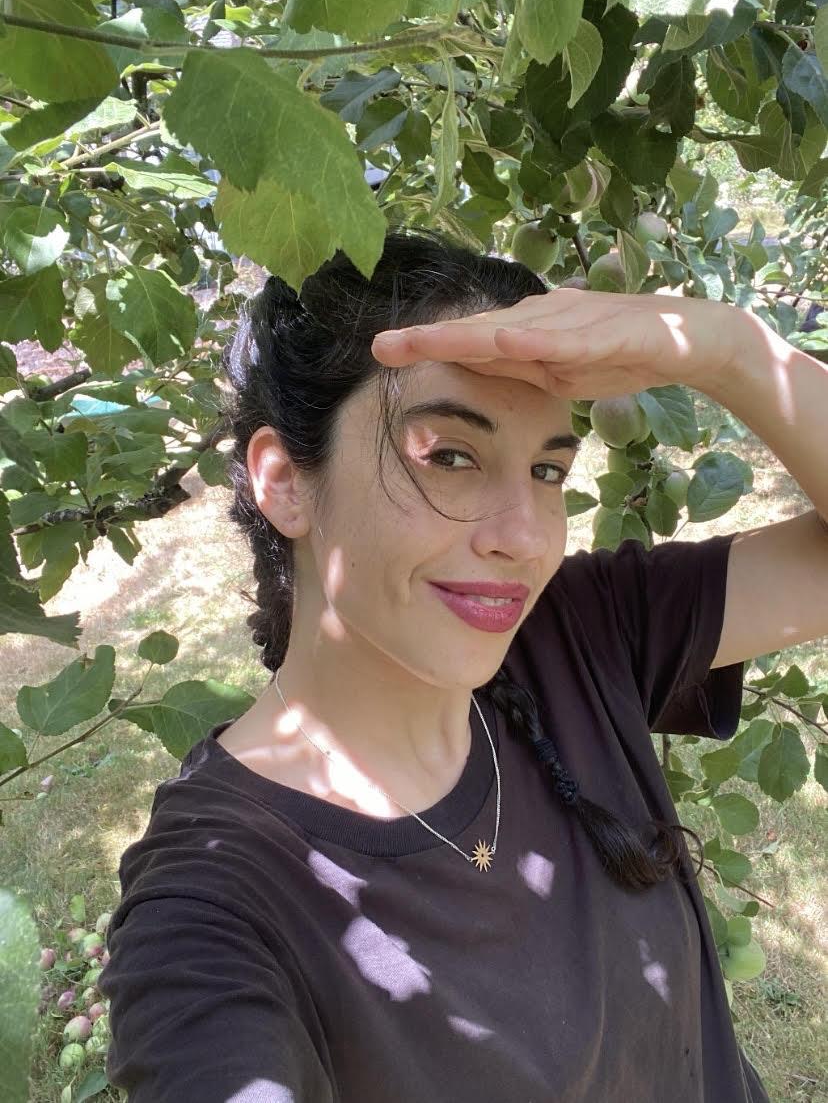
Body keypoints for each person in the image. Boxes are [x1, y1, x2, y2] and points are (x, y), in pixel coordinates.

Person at [98, 227, 828, 1102]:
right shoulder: (219, 905)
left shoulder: (577, 634)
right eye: (450, 455)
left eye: (549, 469)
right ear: (285, 480)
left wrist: (725, 347)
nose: (525, 539)